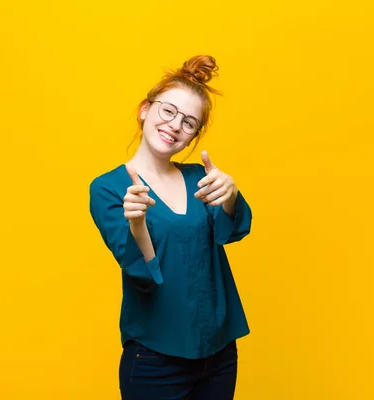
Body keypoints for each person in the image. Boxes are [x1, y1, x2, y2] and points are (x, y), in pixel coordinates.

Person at [89, 55, 252, 400]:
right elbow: (142, 275)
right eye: (168, 111)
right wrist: (136, 224)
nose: (175, 125)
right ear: (145, 110)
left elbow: (229, 233)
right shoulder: (108, 188)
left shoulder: (200, 178)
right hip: (155, 357)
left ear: (193, 136)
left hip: (219, 351)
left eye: (189, 122)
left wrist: (230, 196)